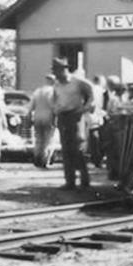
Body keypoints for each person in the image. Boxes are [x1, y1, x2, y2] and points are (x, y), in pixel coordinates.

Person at [52, 57, 94, 189]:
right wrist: (55, 111)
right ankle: (70, 181)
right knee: (66, 150)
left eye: (58, 71)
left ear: (64, 70)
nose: (56, 74)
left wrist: (84, 109)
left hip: (75, 116)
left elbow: (91, 95)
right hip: (63, 117)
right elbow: (55, 98)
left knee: (77, 149)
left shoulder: (78, 82)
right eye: (54, 71)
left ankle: (84, 180)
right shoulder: (57, 84)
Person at [30, 74, 57, 168]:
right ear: (53, 81)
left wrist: (30, 117)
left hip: (37, 117)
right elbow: (54, 106)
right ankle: (45, 160)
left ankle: (37, 159)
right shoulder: (53, 92)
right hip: (48, 117)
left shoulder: (37, 91)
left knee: (38, 139)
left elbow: (31, 106)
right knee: (49, 140)